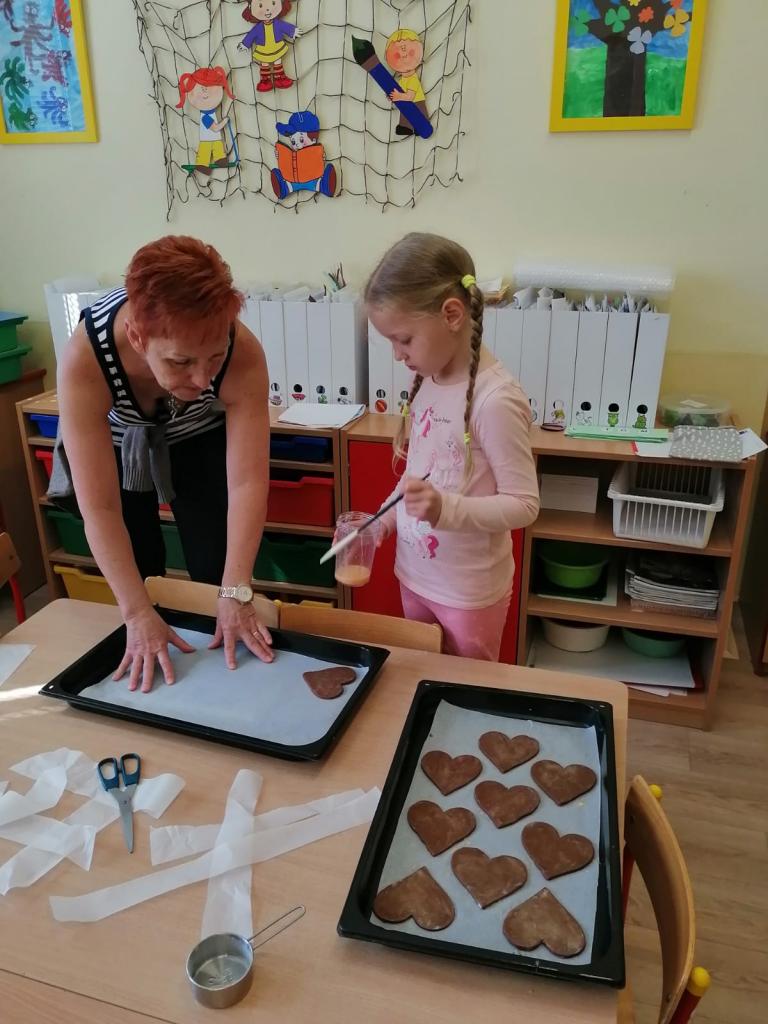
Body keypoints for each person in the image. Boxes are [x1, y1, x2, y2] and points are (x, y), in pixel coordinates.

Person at [55, 235, 274, 694]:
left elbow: (248, 482)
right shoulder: (86, 356)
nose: (201, 378)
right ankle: (147, 641)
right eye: (180, 361)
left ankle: (220, 673)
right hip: (121, 440)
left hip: (199, 434)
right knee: (139, 568)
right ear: (138, 337)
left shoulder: (242, 350)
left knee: (216, 565)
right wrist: (136, 612)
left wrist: (235, 590)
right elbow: (100, 508)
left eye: (213, 359)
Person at [365, 232, 540, 661]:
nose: (397, 355)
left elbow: (524, 505)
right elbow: (417, 480)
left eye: (404, 339)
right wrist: (379, 523)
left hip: (468, 594)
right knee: (421, 677)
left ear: (452, 314)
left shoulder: (494, 400)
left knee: (466, 690)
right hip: (415, 578)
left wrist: (447, 510)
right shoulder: (429, 378)